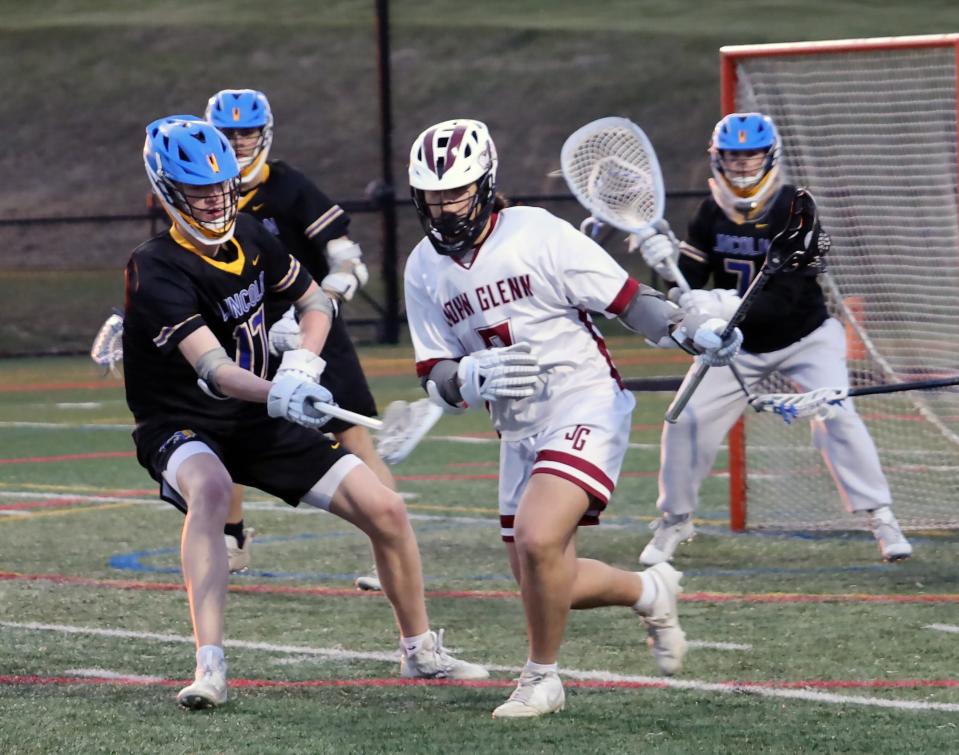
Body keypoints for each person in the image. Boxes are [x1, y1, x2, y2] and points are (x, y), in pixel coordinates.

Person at [126, 116, 487, 709]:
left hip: (255, 415)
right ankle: (209, 666)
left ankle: (420, 650)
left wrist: (303, 364)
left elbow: (315, 299)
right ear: (168, 190)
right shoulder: (156, 264)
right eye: (200, 191)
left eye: (222, 188)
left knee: (386, 509)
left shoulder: (250, 232)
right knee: (212, 491)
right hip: (181, 418)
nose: (216, 201)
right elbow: (214, 370)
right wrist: (278, 391)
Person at [403, 119, 743, 719]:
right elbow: (435, 374)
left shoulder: (537, 233)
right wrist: (466, 377)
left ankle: (542, 679)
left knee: (538, 539)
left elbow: (629, 301)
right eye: (432, 195)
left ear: (484, 185)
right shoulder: (422, 268)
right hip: (516, 425)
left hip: (581, 399)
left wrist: (691, 329)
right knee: (543, 577)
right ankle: (651, 590)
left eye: (454, 192)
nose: (443, 207)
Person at [634, 112, 913, 565]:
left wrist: (722, 307)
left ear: (770, 157)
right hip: (737, 347)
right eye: (734, 157)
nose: (743, 166)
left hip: (806, 336)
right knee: (683, 420)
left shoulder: (795, 209)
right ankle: (675, 519)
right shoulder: (708, 212)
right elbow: (681, 288)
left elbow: (786, 297)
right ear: (718, 159)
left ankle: (880, 515)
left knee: (838, 415)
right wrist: (660, 260)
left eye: (752, 156)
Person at [205, 89, 390, 590]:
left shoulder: (288, 187)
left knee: (351, 437)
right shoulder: (207, 193)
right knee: (226, 433)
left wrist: (321, 305)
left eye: (246, 132)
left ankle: (388, 548)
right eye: (228, 133)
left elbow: (347, 258)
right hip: (247, 334)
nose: (239, 143)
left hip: (311, 331)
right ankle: (232, 538)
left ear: (264, 134)